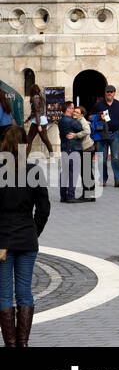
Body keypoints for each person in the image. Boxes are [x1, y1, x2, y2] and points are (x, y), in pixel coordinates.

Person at [0, 125, 50, 347]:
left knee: (3, 295)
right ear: (25, 145)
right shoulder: (34, 170)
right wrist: (34, 230)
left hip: (2, 241)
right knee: (25, 293)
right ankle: (23, 343)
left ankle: (10, 344)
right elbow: (44, 208)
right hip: (27, 238)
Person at [90, 85, 119, 187]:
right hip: (102, 134)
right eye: (107, 92)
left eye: (111, 92)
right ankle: (103, 179)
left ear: (114, 93)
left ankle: (118, 179)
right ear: (105, 93)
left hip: (115, 133)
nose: (109, 93)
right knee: (103, 158)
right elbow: (89, 116)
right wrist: (98, 116)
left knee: (115, 157)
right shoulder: (99, 105)